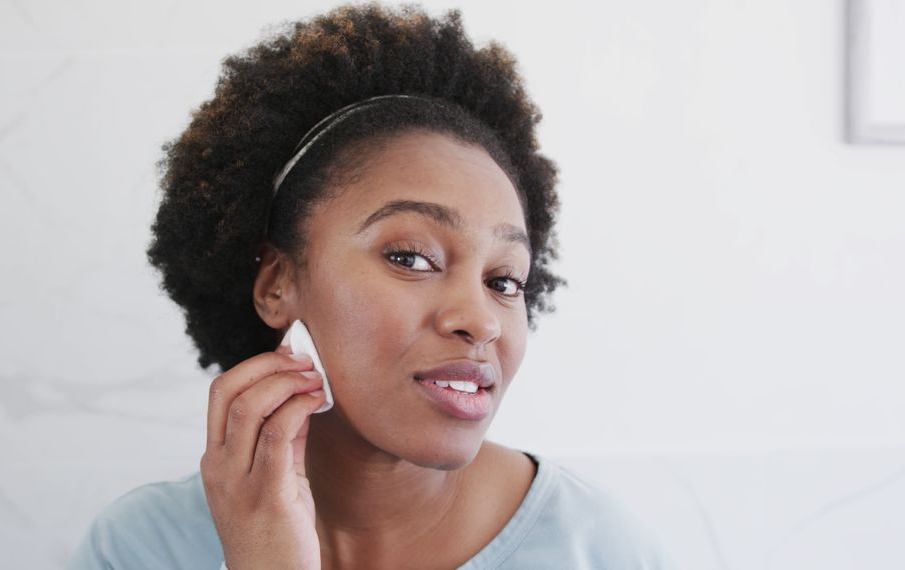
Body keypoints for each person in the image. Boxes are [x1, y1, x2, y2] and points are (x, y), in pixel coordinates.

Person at [68, 3, 673, 568]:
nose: (481, 319)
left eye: (504, 280)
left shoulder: (598, 551)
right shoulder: (143, 549)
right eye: (412, 257)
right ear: (277, 283)